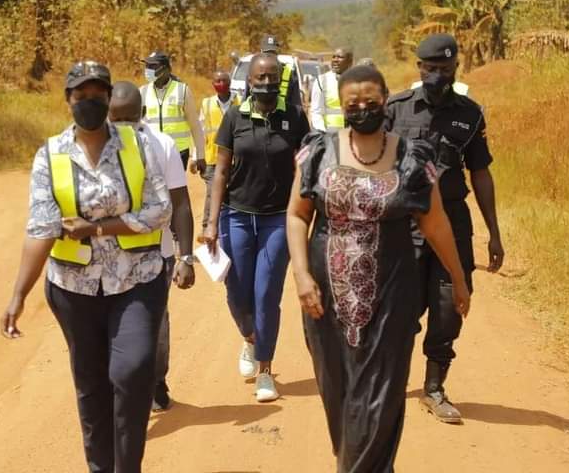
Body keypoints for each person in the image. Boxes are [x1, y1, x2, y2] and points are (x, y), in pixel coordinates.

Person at [286, 65, 471, 472]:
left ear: (386, 100)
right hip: (325, 297)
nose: (362, 108)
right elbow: (298, 215)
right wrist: (301, 275)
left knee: (381, 397)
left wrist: (458, 279)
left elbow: (436, 223)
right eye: (353, 102)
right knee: (339, 393)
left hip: (392, 294)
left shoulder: (414, 157)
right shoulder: (317, 151)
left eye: (371, 100)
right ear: (341, 105)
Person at [0, 61, 172, 473]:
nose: (90, 102)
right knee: (91, 385)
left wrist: (97, 228)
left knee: (131, 373)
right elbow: (41, 228)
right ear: (68, 100)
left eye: (98, 95)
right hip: (74, 288)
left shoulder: (138, 145)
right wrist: (18, 294)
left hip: (137, 279)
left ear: (110, 98)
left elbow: (159, 210)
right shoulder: (50, 156)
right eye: (81, 95)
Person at [386, 33, 504, 423]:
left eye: (446, 69)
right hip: (405, 223)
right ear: (419, 68)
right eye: (431, 68)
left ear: (457, 68)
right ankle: (389, 381)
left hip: (453, 222)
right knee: (402, 309)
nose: (438, 75)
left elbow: (481, 173)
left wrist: (495, 233)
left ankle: (434, 387)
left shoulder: (470, 113)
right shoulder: (396, 108)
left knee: (450, 305)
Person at [202, 53, 310, 402]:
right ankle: (249, 339)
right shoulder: (234, 115)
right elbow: (220, 171)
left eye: (272, 76)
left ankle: (265, 369)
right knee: (237, 293)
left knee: (266, 295)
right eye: (259, 77)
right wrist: (211, 221)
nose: (266, 82)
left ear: (281, 80)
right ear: (248, 81)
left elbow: (304, 170)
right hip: (235, 216)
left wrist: (305, 214)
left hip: (277, 218)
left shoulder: (294, 117)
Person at [109, 81, 196, 412]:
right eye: (115, 120)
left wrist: (186, 256)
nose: (122, 127)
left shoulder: (162, 145)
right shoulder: (93, 147)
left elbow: (181, 202)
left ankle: (156, 381)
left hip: (155, 256)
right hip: (107, 259)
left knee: (154, 327)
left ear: (142, 115)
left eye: (129, 119)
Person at [140, 50, 206, 174]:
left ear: (165, 69)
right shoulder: (142, 92)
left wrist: (200, 155)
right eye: (147, 66)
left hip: (178, 153)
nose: (147, 69)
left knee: (175, 191)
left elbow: (195, 126)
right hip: (152, 152)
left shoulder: (182, 90)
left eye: (152, 66)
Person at [197, 70, 240, 229]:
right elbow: (201, 131)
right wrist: (197, 156)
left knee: (233, 193)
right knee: (211, 193)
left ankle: (229, 224)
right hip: (212, 158)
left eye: (223, 80)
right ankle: (206, 227)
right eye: (217, 81)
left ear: (230, 83)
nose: (220, 84)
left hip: (236, 159)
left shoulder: (240, 102)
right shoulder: (206, 104)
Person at [243, 34, 303, 108]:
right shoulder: (253, 72)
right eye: (267, 52)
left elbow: (296, 104)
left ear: (277, 52)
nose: (270, 55)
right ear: (261, 52)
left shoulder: (289, 73)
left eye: (273, 52)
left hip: (283, 117)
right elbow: (246, 99)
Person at [310, 47, 353, 133]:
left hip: (352, 136)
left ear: (350, 62)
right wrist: (323, 134)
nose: (335, 60)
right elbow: (316, 112)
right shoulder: (322, 81)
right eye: (334, 57)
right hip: (329, 135)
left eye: (340, 57)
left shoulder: (357, 81)